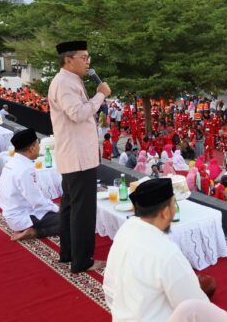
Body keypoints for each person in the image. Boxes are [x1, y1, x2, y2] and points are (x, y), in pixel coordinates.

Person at [103, 178, 209, 321]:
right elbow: (197, 309)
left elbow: (109, 289)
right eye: (174, 203)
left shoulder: (125, 231)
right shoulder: (167, 253)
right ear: (166, 212)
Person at [48, 40, 110, 273]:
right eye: (84, 58)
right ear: (68, 60)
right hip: (78, 156)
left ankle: (69, 253)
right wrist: (100, 96)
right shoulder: (64, 83)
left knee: (70, 206)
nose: (88, 62)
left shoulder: (70, 81)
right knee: (82, 210)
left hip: (75, 154)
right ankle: (82, 260)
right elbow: (78, 113)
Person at [0, 129, 60, 241]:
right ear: (32, 148)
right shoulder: (24, 170)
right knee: (71, 219)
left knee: (63, 209)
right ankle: (35, 232)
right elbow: (36, 201)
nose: (39, 147)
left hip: (12, 215)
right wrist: (56, 208)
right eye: (38, 144)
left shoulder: (11, 163)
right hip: (24, 217)